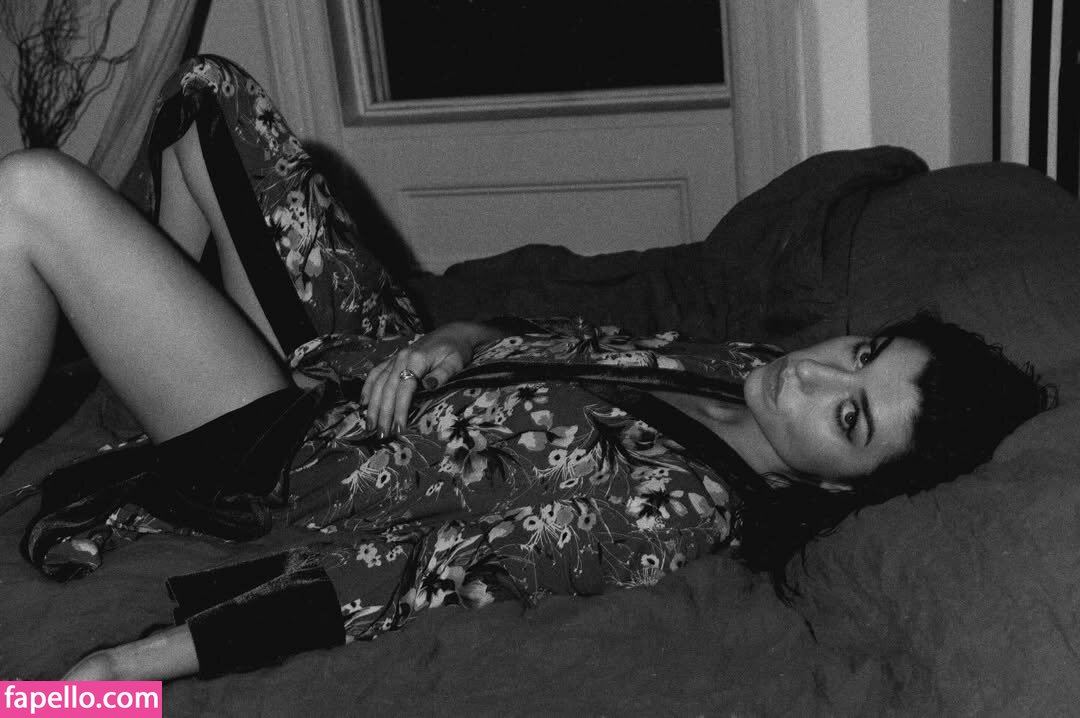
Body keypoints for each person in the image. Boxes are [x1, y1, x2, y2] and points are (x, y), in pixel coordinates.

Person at [0, 57, 1044, 681]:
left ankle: (160, 386)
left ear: (839, 487)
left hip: (288, 451)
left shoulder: (674, 513)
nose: (811, 378)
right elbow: (539, 337)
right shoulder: (736, 366)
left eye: (850, 418)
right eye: (857, 355)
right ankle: (133, 359)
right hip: (371, 345)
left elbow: (427, 574)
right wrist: (458, 340)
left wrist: (133, 666)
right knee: (208, 95)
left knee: (34, 194)